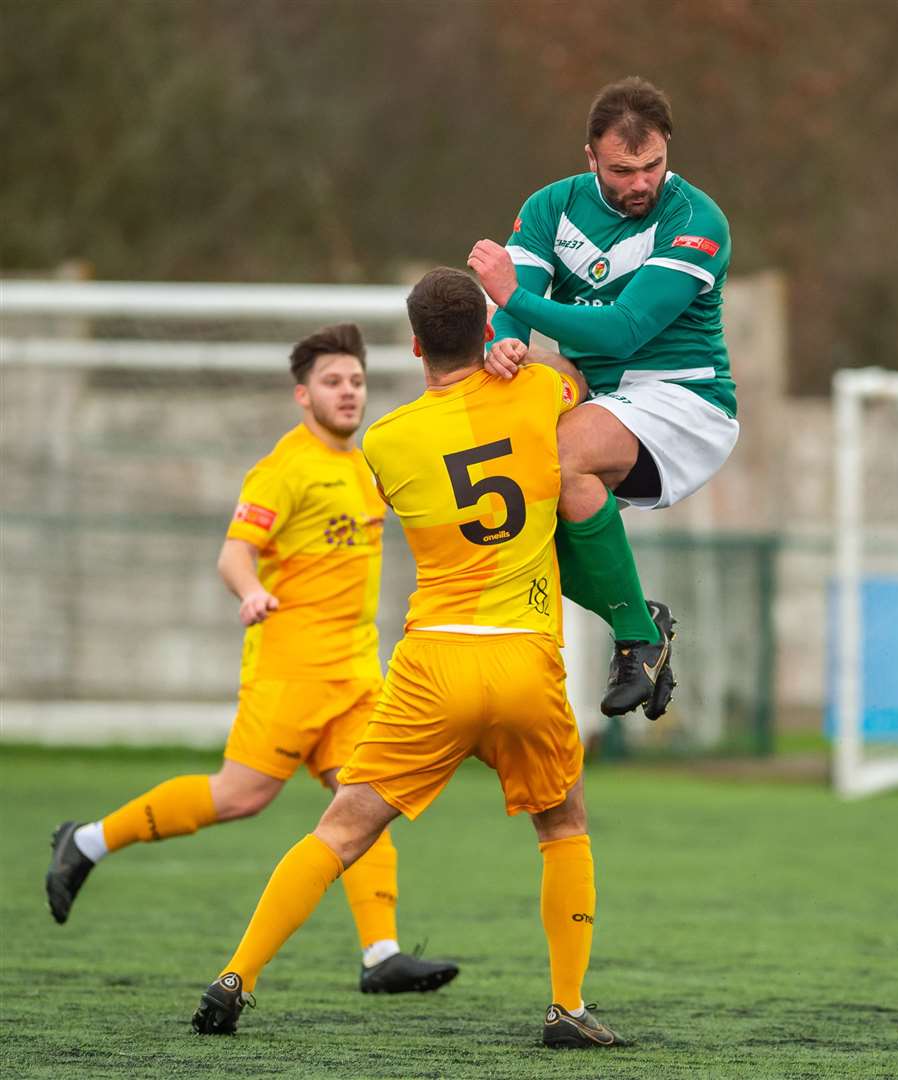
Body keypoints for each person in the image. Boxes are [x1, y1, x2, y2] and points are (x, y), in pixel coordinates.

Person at [192, 268, 626, 1048]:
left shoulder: (385, 443)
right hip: (526, 656)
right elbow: (582, 377)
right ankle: (566, 1007)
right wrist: (523, 359)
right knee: (563, 826)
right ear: (487, 337)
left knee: (341, 829)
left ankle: (236, 977)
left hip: (433, 666)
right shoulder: (535, 394)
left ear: (417, 345)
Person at [45, 324, 457, 994]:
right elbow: (233, 552)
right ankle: (86, 841)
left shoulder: (367, 465)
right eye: (332, 381)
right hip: (289, 671)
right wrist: (253, 589)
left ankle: (381, 955)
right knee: (237, 797)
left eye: (355, 380)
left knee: (364, 802)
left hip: (355, 674)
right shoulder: (282, 469)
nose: (348, 392)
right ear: (303, 395)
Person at [467, 75, 737, 722]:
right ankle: (641, 623)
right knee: (508, 489)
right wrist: (506, 342)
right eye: (622, 170)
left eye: (652, 166)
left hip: (683, 399)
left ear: (667, 147)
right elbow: (514, 307)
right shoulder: (548, 208)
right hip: (598, 392)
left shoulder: (698, 220)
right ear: (590, 157)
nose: (640, 182)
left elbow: (624, 331)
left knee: (561, 454)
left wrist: (514, 303)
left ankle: (635, 639)